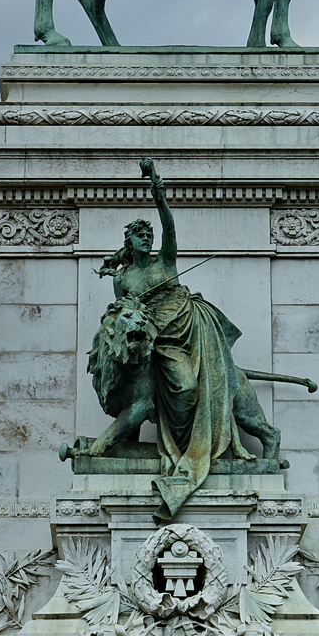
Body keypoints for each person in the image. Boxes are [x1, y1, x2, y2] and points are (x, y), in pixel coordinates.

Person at [96, 158, 258, 521]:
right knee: (152, 387)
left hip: (185, 331)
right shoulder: (123, 280)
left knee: (186, 390)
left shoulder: (164, 263)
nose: (147, 239)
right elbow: (125, 312)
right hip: (153, 341)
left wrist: (160, 198)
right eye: (141, 236)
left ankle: (190, 449)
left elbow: (169, 228)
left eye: (148, 236)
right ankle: (134, 438)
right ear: (130, 241)